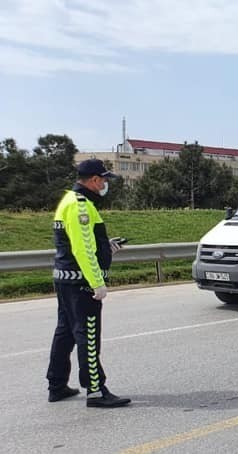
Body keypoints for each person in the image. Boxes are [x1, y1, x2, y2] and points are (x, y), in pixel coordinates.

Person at [46, 159, 131, 408]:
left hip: (66, 279)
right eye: (104, 179)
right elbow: (82, 249)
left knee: (65, 333)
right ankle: (95, 390)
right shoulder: (81, 205)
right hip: (80, 282)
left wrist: (107, 247)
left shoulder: (69, 200)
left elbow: (85, 243)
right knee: (88, 334)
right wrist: (97, 283)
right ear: (94, 180)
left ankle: (57, 384)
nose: (105, 184)